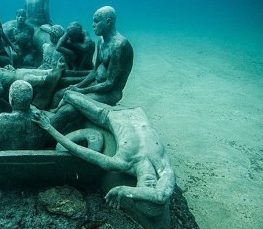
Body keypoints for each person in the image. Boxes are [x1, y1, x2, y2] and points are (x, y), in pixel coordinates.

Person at [33, 91, 176, 212]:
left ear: (136, 187)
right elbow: (160, 195)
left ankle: (49, 111)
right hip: (136, 111)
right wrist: (124, 191)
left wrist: (49, 128)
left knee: (68, 95)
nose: (150, 185)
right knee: (67, 95)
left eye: (144, 190)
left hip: (107, 114)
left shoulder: (121, 163)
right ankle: (54, 109)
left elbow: (77, 149)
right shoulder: (163, 166)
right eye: (153, 187)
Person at [51, 6, 134, 130]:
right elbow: (95, 71)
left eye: (96, 21)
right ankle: (56, 121)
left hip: (110, 93)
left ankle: (48, 133)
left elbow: (110, 84)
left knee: (68, 109)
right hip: (97, 85)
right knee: (59, 94)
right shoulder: (101, 41)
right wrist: (77, 86)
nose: (93, 25)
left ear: (108, 21)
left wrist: (82, 91)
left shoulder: (119, 46)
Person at [0, 80, 52, 150]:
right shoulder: (43, 119)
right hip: (34, 163)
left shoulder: (1, 120)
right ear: (30, 99)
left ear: (12, 101)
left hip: (6, 163)